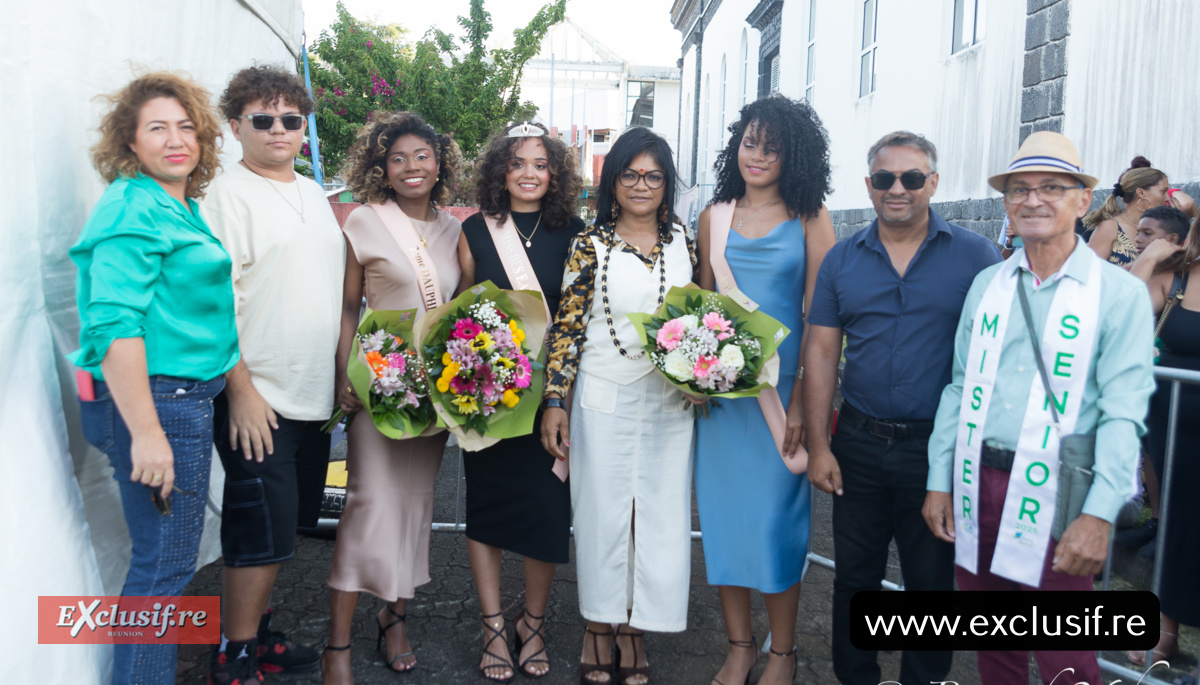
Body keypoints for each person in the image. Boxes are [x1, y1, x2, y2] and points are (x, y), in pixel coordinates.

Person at [923, 131, 1155, 685]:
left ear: (1082, 200)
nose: (1033, 200)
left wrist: (1099, 516)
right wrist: (939, 479)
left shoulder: (1118, 295)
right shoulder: (987, 284)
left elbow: (1124, 414)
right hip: (978, 482)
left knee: (1065, 657)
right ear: (1006, 204)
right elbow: (959, 387)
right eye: (1019, 189)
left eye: (1052, 187)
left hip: (1060, 493)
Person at [804, 131, 1000, 685]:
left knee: (931, 585)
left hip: (936, 450)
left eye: (912, 178)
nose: (899, 189)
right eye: (885, 178)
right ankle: (856, 677)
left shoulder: (975, 256)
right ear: (868, 186)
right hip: (859, 443)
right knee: (855, 580)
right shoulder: (842, 259)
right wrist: (820, 444)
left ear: (932, 183)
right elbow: (821, 351)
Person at [71, 73, 237, 685]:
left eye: (186, 127)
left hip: (179, 397)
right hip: (161, 402)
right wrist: (146, 432)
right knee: (163, 568)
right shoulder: (133, 206)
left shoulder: (173, 203)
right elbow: (113, 323)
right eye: (157, 128)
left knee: (163, 563)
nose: (176, 140)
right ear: (130, 142)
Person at [201, 65, 344, 682]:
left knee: (283, 528)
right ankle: (233, 656)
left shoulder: (313, 191)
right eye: (263, 118)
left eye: (292, 118)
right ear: (236, 126)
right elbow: (210, 306)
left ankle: (255, 635)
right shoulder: (222, 196)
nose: (279, 129)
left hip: (311, 396)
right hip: (258, 398)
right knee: (256, 531)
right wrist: (241, 392)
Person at [541, 127, 696, 685]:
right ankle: (598, 625)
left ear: (666, 183)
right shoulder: (591, 244)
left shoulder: (685, 240)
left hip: (668, 403)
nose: (641, 185)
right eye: (630, 175)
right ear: (613, 182)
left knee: (658, 517)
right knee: (603, 515)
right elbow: (568, 327)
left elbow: (698, 321)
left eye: (653, 176)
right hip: (602, 396)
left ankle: (638, 629)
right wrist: (555, 399)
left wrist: (705, 374)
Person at [694, 95, 836, 685]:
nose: (758, 156)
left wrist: (806, 399)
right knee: (724, 522)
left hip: (782, 403)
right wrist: (694, 375)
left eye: (772, 147)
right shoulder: (714, 215)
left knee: (778, 524)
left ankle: (784, 651)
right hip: (724, 403)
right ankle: (739, 645)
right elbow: (701, 307)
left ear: (793, 155)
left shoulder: (810, 216)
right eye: (750, 143)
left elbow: (821, 315)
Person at [321, 111, 463, 684]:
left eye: (422, 156)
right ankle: (335, 647)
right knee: (368, 505)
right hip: (379, 383)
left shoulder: (454, 230)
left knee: (414, 508)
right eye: (398, 158)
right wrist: (346, 374)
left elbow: (465, 310)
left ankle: (394, 617)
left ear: (440, 163)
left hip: (433, 394)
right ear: (381, 166)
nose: (411, 167)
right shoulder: (364, 221)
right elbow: (348, 307)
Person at [455, 121, 585, 681]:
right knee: (486, 512)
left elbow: (579, 322)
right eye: (517, 164)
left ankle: (531, 624)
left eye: (540, 164)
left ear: (554, 173)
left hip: (550, 399)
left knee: (546, 513)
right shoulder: (474, 230)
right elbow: (458, 313)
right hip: (487, 398)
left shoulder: (576, 232)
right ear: (499, 172)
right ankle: (491, 626)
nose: (528, 174)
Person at [1126, 219, 1200, 671]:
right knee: (1178, 525)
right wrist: (1148, 258)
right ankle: (1166, 632)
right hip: (1174, 427)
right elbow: (1119, 316)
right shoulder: (1178, 276)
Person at [1085, 156, 1169, 265]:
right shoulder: (1110, 227)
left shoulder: (1160, 227)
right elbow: (1090, 272)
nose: (1167, 198)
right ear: (1141, 193)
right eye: (1163, 191)